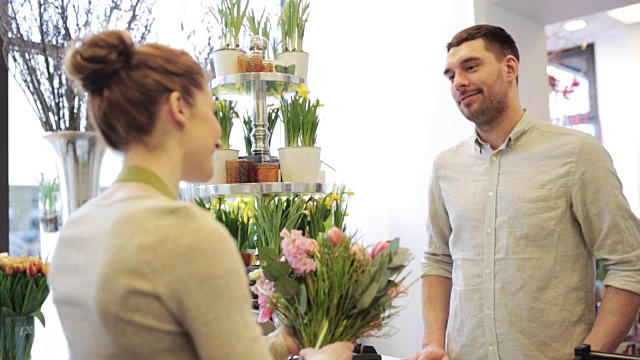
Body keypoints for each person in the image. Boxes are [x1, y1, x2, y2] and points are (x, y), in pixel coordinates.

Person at [47, 30, 354, 360]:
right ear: (179, 107)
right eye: (211, 111)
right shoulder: (190, 233)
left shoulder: (75, 232)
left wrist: (280, 345)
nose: (219, 135)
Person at [404, 24, 640, 360]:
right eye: (450, 75)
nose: (458, 82)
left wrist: (590, 355)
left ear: (510, 68)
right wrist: (432, 344)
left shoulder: (577, 154)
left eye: (471, 67)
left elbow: (629, 265)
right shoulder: (445, 167)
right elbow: (438, 261)